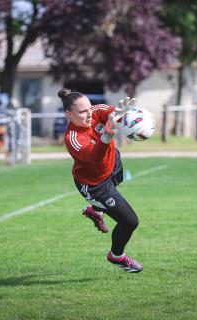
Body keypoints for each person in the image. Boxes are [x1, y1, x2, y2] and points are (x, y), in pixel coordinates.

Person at [58, 88, 143, 273]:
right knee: (130, 222)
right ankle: (116, 255)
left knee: (117, 175)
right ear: (69, 114)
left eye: (89, 108)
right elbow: (94, 157)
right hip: (95, 186)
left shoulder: (95, 111)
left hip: (112, 165)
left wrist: (121, 114)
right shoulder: (72, 138)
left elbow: (110, 113)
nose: (89, 114)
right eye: (82, 112)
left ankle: (96, 211)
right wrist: (107, 135)